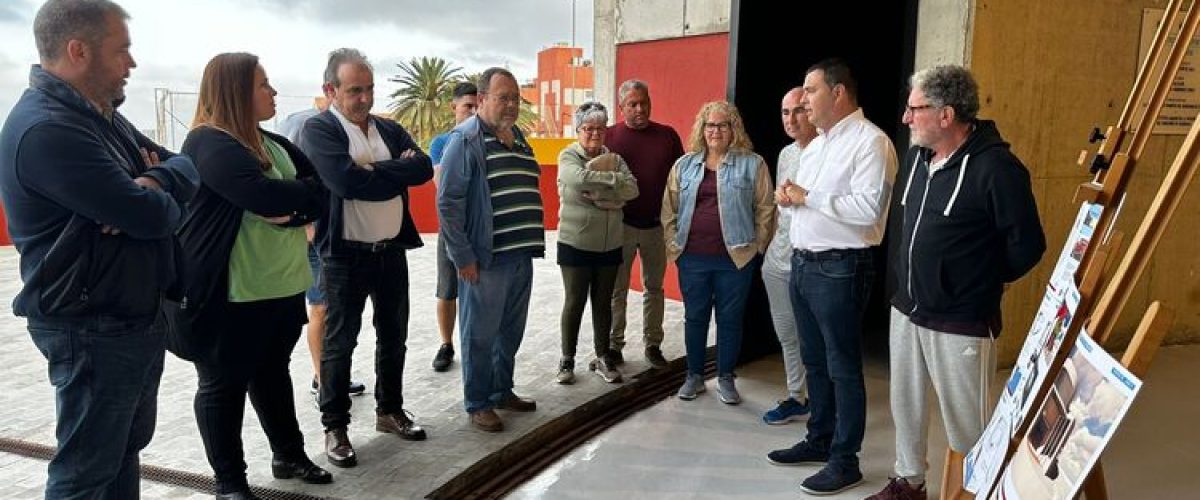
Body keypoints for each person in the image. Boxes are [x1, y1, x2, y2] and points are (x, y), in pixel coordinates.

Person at [0, 1, 198, 498]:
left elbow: (186, 166)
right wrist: (148, 199)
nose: (131, 63)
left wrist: (153, 178)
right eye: (122, 50)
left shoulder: (99, 117)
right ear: (79, 50)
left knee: (119, 454)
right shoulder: (49, 128)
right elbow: (151, 216)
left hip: (124, 316)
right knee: (85, 473)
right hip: (91, 326)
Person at [866, 65, 1045, 500]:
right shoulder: (917, 158)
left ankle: (981, 491)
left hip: (961, 318)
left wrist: (985, 279)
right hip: (907, 308)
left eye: (915, 109)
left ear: (946, 115)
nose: (906, 119)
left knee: (968, 426)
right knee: (906, 406)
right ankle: (909, 483)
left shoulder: (998, 168)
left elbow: (1029, 245)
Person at [177, 52, 331, 499]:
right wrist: (289, 201)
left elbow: (320, 188)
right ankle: (230, 482)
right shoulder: (210, 143)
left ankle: (289, 455)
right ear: (235, 91)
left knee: (271, 373)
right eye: (264, 84)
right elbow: (260, 195)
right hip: (229, 293)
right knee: (222, 386)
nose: (273, 92)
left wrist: (294, 203)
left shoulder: (269, 141)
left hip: (279, 285)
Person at [766, 59, 898, 496]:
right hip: (804, 263)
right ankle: (820, 439)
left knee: (843, 366)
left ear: (838, 93)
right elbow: (805, 203)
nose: (803, 100)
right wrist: (788, 199)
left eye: (811, 90)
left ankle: (846, 460)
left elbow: (867, 210)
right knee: (816, 361)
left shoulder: (871, 142)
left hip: (841, 266)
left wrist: (808, 196)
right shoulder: (818, 145)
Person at [301, 48, 433, 467]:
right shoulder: (319, 130)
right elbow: (343, 181)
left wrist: (374, 172)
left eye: (370, 88)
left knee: (394, 335)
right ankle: (335, 427)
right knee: (340, 344)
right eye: (354, 90)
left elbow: (424, 168)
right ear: (331, 90)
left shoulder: (388, 130)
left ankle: (389, 411)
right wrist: (394, 170)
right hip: (344, 257)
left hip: (390, 251)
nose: (364, 98)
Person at [438, 67, 543, 432]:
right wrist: (463, 257)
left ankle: (501, 390)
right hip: (486, 259)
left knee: (510, 332)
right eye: (503, 97)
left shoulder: (518, 136)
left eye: (515, 98)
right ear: (482, 99)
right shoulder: (465, 141)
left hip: (520, 254)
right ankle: (478, 402)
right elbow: (448, 203)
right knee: (479, 335)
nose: (512, 104)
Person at [662, 100, 774, 404]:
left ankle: (725, 377)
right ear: (702, 128)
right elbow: (668, 209)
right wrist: (675, 246)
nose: (716, 131)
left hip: (735, 259)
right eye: (710, 125)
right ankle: (694, 376)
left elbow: (766, 208)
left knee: (730, 320)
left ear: (733, 129)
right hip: (692, 257)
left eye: (723, 124)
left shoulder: (753, 164)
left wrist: (756, 247)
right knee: (695, 318)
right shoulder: (684, 165)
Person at [279, 95, 368, 399]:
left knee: (332, 308)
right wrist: (305, 222)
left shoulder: (351, 127)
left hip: (331, 230)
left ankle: (331, 376)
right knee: (321, 306)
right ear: (331, 91)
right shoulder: (304, 124)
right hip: (313, 232)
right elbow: (292, 174)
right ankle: (323, 379)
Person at [555, 101, 639, 384]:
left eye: (600, 129)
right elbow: (577, 180)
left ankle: (602, 357)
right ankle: (567, 361)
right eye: (588, 128)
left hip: (610, 244)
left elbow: (633, 188)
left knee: (603, 303)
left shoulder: (614, 159)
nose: (594, 134)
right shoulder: (568, 156)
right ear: (577, 130)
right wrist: (615, 189)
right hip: (575, 243)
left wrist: (607, 187)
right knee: (574, 301)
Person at [604, 79, 684, 368]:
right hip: (620, 226)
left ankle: (653, 345)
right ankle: (614, 346)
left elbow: (680, 179)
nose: (640, 109)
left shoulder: (668, 136)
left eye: (644, 102)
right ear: (621, 106)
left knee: (654, 287)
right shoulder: (609, 137)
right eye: (633, 104)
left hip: (656, 226)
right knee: (618, 289)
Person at [761, 87, 817, 425]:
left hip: (811, 260)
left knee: (816, 336)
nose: (791, 119)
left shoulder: (827, 152)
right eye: (785, 112)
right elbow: (777, 208)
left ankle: (824, 404)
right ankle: (797, 395)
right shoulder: (785, 154)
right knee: (787, 333)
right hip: (778, 259)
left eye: (799, 110)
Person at [429, 81, 479, 372]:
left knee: (480, 291)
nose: (472, 112)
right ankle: (446, 345)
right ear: (454, 108)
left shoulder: (486, 141)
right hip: (451, 230)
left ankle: (475, 343)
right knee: (447, 290)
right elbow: (442, 186)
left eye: (476, 106)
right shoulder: (441, 143)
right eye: (467, 107)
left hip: (482, 229)